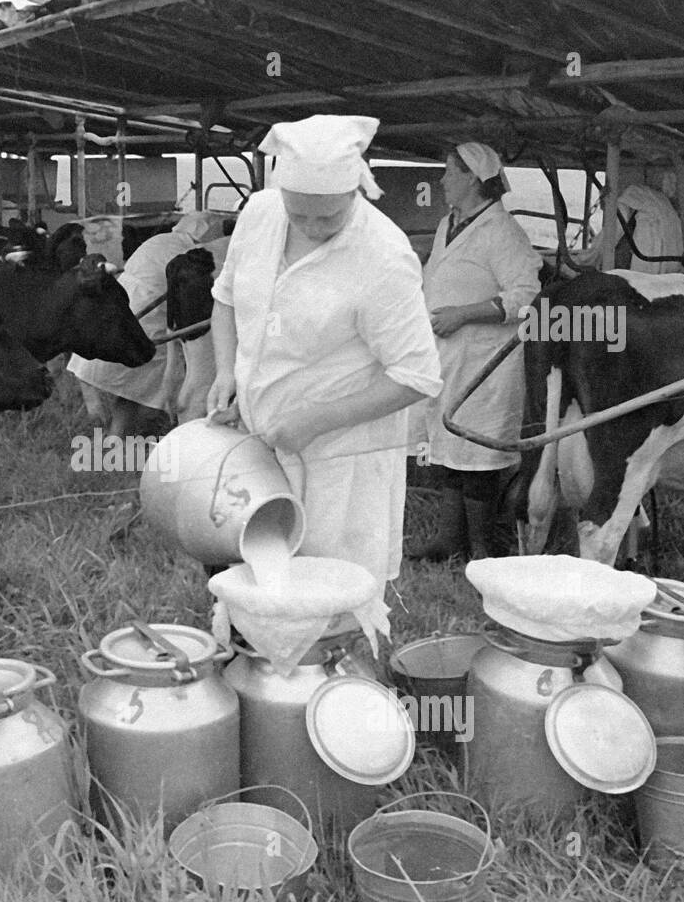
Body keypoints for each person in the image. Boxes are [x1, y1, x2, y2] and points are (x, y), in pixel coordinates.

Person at [207, 115, 443, 586]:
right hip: (257, 441)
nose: (312, 227)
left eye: (330, 217)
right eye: (299, 214)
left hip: (340, 458)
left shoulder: (383, 257)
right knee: (246, 578)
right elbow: (227, 298)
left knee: (324, 595)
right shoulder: (259, 213)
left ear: (355, 190)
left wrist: (314, 420)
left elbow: (417, 377)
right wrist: (226, 374)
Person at [408, 142, 542, 561]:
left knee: (478, 456)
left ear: (471, 180)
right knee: (452, 450)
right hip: (451, 356)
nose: (442, 180)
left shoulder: (502, 233)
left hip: (486, 361)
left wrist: (465, 314)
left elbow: (527, 297)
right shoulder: (452, 222)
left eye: (450, 172)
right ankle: (450, 541)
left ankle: (483, 554)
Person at [69, 212, 226, 439]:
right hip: (146, 320)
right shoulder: (193, 255)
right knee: (139, 389)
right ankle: (123, 438)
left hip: (116, 310)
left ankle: (109, 439)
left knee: (118, 384)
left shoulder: (160, 240)